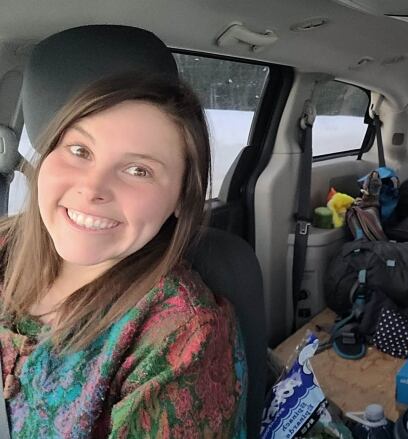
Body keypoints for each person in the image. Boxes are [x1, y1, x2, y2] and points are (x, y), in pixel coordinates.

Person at [0, 75, 246, 438]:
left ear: (181, 197)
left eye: (138, 170)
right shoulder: (5, 242)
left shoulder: (181, 336)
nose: (92, 188)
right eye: (80, 150)